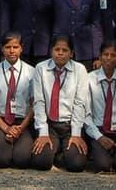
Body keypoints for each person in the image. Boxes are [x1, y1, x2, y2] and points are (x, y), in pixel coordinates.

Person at [29, 36, 91, 172]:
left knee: (76, 165)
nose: (60, 53)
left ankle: (61, 153)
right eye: (57, 49)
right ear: (51, 51)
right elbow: (39, 102)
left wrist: (76, 134)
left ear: (72, 53)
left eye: (65, 50)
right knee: (41, 162)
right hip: (50, 125)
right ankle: (55, 152)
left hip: (69, 125)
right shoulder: (41, 68)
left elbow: (80, 103)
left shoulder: (79, 69)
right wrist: (43, 133)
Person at [0, 33, 37, 169]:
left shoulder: (32, 72)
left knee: (22, 160)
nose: (11, 51)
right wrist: (6, 128)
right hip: (0, 121)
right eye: (7, 47)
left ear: (21, 48)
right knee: (1, 161)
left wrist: (20, 128)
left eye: (15, 47)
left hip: (22, 122)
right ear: (2, 48)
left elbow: (35, 104)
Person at [34, 0, 105, 67]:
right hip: (60, 48)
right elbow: (40, 6)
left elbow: (96, 25)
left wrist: (97, 55)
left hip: (84, 51)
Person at [85, 40, 116, 174]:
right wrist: (98, 136)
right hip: (99, 131)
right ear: (100, 57)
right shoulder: (89, 79)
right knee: (103, 166)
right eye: (105, 54)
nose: (109, 58)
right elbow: (86, 114)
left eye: (113, 55)